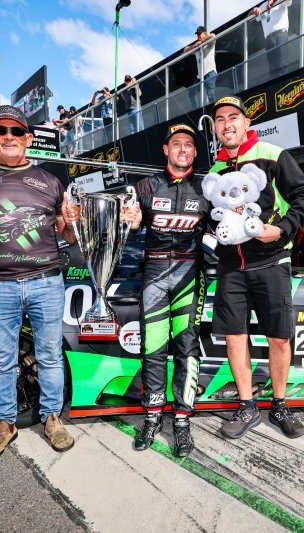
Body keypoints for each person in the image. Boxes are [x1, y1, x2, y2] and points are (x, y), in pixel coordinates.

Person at [0, 105, 81, 462]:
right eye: (1, 130)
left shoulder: (50, 181)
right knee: (1, 359)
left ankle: (52, 418)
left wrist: (72, 221)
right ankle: (4, 425)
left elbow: (66, 235)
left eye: (16, 131)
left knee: (50, 355)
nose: (9, 137)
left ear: (29, 138)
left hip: (46, 282)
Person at [208, 95, 304, 439]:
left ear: (246, 123)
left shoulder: (273, 154)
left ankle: (280, 405)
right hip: (230, 268)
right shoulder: (213, 170)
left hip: (272, 261)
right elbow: (210, 220)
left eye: (233, 117)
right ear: (215, 128)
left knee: (279, 339)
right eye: (220, 119)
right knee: (235, 338)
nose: (227, 124)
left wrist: (282, 230)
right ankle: (247, 406)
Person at [122, 123, 211, 457]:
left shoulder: (206, 188)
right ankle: (153, 416)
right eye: (177, 144)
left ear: (195, 152)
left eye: (188, 145)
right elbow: (131, 227)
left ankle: (183, 423)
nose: (183, 150)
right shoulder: (145, 187)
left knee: (188, 350)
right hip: (155, 276)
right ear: (166, 150)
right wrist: (130, 219)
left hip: (190, 276)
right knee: (154, 349)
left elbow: (220, 231)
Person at [250, 0, 293, 77]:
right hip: (268, 39)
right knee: (272, 70)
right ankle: (276, 87)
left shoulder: (280, 1)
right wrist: (254, 10)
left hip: (280, 34)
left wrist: (273, 1)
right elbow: (248, 18)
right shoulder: (262, 6)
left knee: (282, 65)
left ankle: (283, 86)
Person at [184, 26, 217, 109]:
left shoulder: (209, 42)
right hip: (200, 77)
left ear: (205, 33)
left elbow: (213, 36)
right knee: (191, 93)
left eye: (199, 34)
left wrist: (202, 41)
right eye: (197, 34)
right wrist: (194, 46)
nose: (198, 36)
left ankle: (214, 111)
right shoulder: (197, 46)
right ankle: (196, 110)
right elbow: (185, 50)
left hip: (210, 73)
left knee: (210, 95)